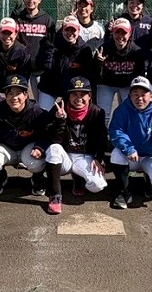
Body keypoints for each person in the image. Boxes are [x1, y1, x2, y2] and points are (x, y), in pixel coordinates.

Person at [40, 76, 109, 214]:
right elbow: (53, 140)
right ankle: (55, 195)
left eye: (83, 94)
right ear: (68, 95)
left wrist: (98, 158)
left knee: (98, 185)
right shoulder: (59, 108)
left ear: (90, 96)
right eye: (74, 94)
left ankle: (78, 178)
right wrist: (60, 121)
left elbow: (102, 138)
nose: (78, 98)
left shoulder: (97, 112)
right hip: (64, 154)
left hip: (84, 155)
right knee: (53, 149)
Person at [109, 76, 152, 209]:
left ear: (151, 96)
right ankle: (124, 191)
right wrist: (129, 148)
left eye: (143, 94)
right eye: (135, 94)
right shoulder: (122, 109)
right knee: (116, 154)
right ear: (130, 95)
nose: (139, 98)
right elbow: (116, 131)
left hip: (151, 155)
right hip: (131, 155)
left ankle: (149, 180)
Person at [0, 73, 48, 196]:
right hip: (8, 149)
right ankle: (0, 177)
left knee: (37, 162)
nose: (14, 97)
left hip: (27, 149)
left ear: (26, 95)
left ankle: (38, 178)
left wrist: (39, 147)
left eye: (18, 93)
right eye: (10, 93)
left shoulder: (36, 111)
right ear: (5, 96)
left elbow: (46, 134)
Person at [94, 17, 148, 121]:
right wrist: (99, 63)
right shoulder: (103, 49)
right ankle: (103, 131)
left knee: (129, 113)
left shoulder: (136, 51)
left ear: (130, 34)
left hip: (127, 85)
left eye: (124, 33)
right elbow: (95, 73)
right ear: (112, 33)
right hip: (107, 84)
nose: (120, 36)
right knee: (103, 114)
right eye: (117, 32)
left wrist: (135, 90)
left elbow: (140, 74)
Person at [38, 15, 96, 108]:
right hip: (49, 87)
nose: (70, 33)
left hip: (72, 90)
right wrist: (49, 50)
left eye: (73, 30)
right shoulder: (51, 43)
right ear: (62, 30)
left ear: (78, 31)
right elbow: (42, 65)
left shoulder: (84, 49)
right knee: (44, 111)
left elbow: (89, 75)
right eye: (67, 30)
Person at [11, 0, 56, 90]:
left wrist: (47, 63)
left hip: (39, 68)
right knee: (19, 96)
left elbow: (51, 44)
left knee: (39, 99)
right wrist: (12, 20)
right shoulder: (18, 18)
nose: (30, 0)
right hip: (21, 67)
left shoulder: (47, 19)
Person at [0, 17, 35, 92]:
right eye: (4, 32)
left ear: (16, 33)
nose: (6, 36)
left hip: (15, 90)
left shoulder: (23, 52)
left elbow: (24, 76)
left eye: (9, 33)